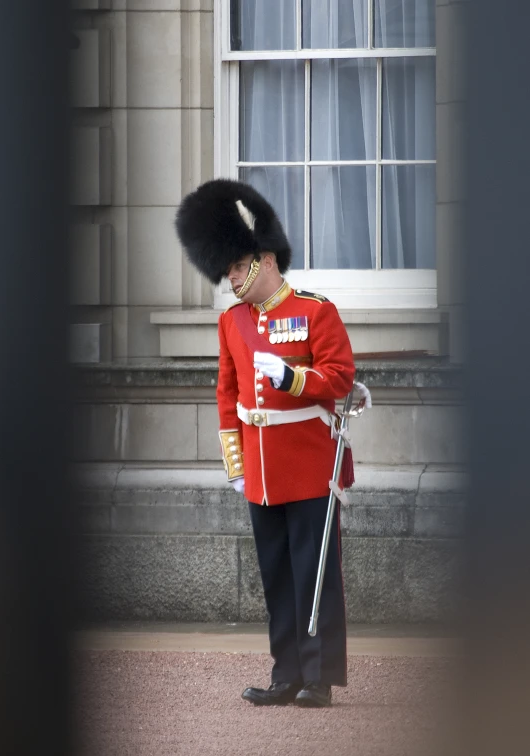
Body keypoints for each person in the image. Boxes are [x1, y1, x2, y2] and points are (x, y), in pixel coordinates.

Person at [175, 178, 355, 708]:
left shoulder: (315, 310)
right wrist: (236, 463)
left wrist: (293, 379)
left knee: (313, 574)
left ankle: (319, 677)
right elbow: (227, 396)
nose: (230, 280)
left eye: (236, 268)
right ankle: (287, 674)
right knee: (276, 575)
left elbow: (340, 378)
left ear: (265, 259)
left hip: (308, 462)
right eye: (227, 271)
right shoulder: (231, 323)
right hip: (260, 468)